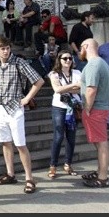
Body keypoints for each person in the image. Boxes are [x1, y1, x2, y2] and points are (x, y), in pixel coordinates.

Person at [0, 35, 44, 194]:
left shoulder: (19, 62)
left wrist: (26, 99)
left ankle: (29, 178)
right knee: (5, 142)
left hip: (15, 108)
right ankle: (10, 173)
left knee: (20, 144)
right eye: (2, 49)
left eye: (7, 48)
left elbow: (39, 81)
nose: (6, 51)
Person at [79, 38, 109, 188]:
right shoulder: (102, 63)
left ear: (86, 46)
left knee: (101, 143)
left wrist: (86, 108)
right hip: (101, 107)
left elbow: (91, 89)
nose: (80, 51)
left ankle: (103, 178)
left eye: (81, 47)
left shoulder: (93, 64)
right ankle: (101, 171)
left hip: (96, 108)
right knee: (99, 143)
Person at [46, 50, 82, 179]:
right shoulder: (54, 74)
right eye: (65, 58)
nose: (68, 60)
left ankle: (68, 164)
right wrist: (73, 85)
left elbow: (80, 88)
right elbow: (57, 90)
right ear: (59, 60)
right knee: (58, 136)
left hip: (74, 107)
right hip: (59, 107)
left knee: (71, 138)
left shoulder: (77, 73)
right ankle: (53, 166)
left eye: (70, 58)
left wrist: (66, 88)